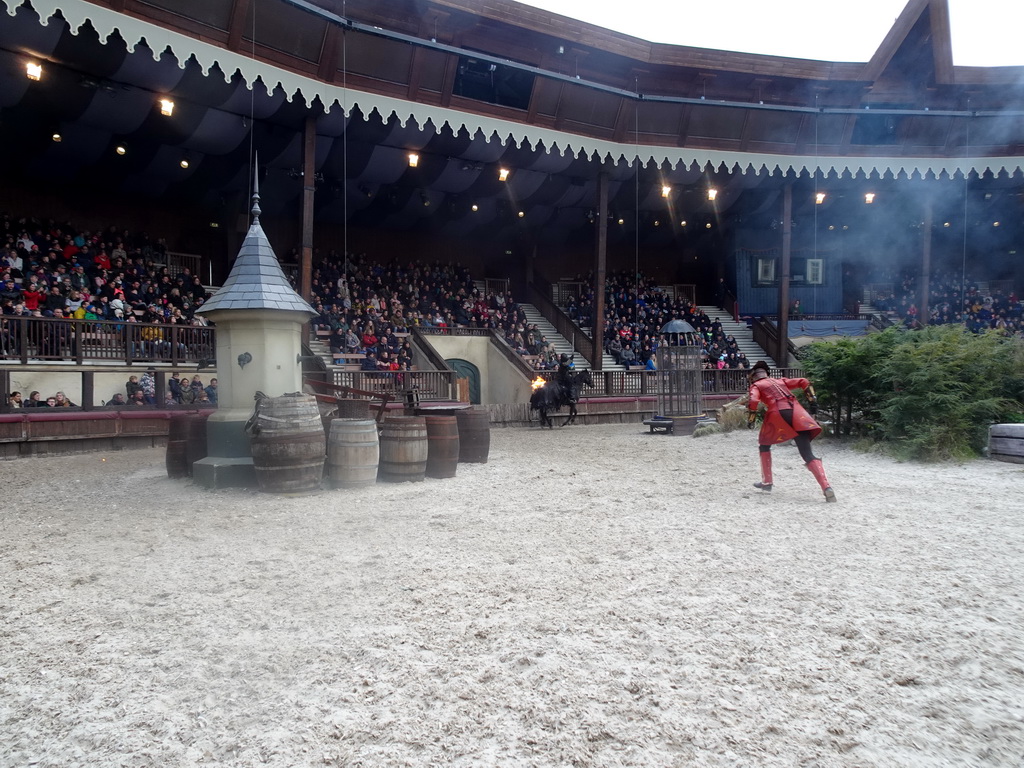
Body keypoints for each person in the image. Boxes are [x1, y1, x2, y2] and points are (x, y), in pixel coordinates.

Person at [746, 361, 835, 502]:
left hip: (777, 414)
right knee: (807, 453)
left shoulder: (756, 385)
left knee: (764, 444)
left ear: (753, 377)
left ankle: (767, 482)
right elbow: (804, 381)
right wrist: (813, 402)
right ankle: (826, 487)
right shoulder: (780, 381)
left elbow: (753, 400)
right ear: (766, 374)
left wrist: (751, 419)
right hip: (797, 413)